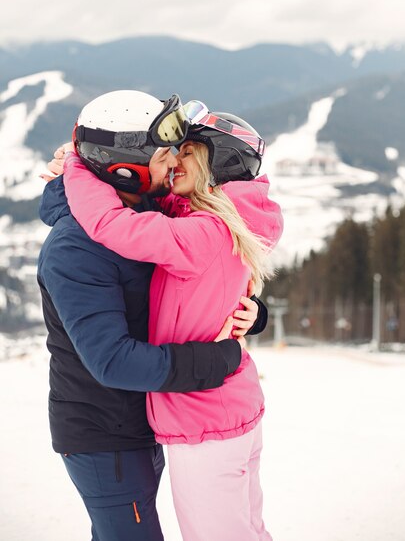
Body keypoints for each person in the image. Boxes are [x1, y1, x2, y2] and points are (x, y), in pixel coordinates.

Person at [38, 90, 267, 541]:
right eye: (167, 157)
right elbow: (113, 362)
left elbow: (207, 271)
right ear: (126, 166)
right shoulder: (75, 250)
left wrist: (252, 310)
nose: (174, 167)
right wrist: (219, 360)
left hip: (147, 416)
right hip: (106, 435)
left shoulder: (146, 207)